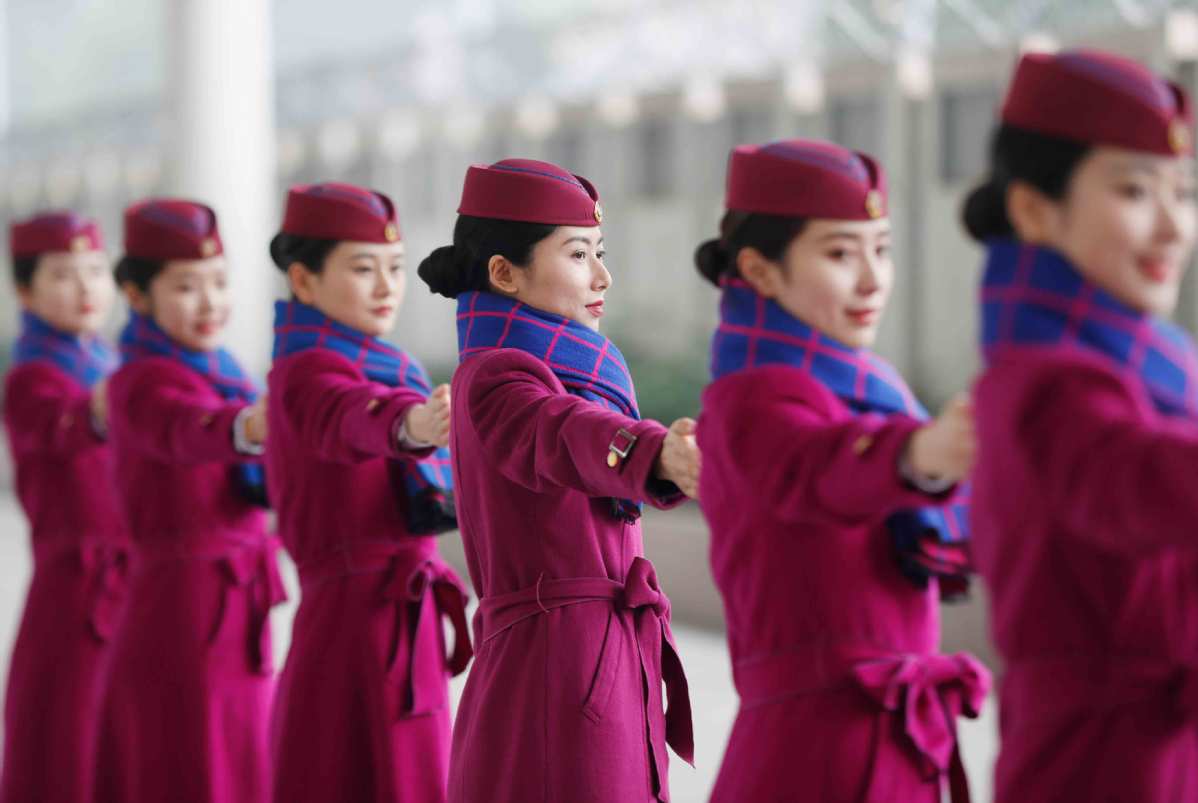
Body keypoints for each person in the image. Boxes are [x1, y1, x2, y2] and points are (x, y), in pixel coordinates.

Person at [696, 139, 989, 803]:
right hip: (816, 751)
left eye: (880, 249)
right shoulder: (753, 397)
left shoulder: (869, 389)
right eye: (839, 253)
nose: (872, 279)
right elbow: (819, 469)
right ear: (761, 271)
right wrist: (920, 455)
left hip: (886, 740)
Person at [419, 158, 699, 803]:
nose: (603, 277)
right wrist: (655, 454)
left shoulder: (568, 372)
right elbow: (562, 432)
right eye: (578, 255)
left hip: (594, 656)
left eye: (600, 253)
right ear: (503, 273)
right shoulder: (495, 377)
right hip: (556, 666)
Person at [964, 49, 1198, 802]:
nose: (1173, 227)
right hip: (1099, 763)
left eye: (1184, 193)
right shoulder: (1042, 383)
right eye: (1135, 190)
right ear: (1035, 209)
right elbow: (1141, 483)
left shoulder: (1150, 367)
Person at [266, 182, 470, 803]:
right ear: (303, 281)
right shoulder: (305, 370)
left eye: (395, 268)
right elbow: (350, 417)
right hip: (352, 628)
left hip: (400, 619)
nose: (386, 286)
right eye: (363, 268)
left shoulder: (392, 364)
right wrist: (413, 425)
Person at [93, 198, 282, 803]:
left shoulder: (227, 370)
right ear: (137, 294)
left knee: (240, 758)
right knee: (189, 764)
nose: (210, 304)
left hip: (237, 607)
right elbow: (188, 429)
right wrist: (250, 427)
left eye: (218, 283)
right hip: (180, 613)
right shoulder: (138, 381)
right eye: (186, 287)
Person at [1, 211, 128, 803]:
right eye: (63, 274)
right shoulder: (30, 376)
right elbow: (66, 427)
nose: (85, 289)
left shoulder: (110, 360)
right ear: (24, 290)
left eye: (95, 271)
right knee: (71, 739)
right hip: (77, 585)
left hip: (135, 578)